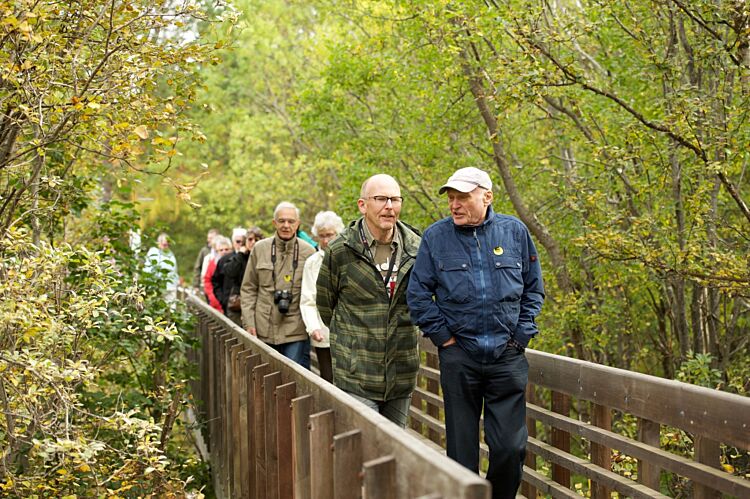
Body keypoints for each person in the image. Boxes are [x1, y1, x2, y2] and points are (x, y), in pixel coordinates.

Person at [407, 167, 545, 499]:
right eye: (451, 198)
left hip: (506, 358)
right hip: (460, 359)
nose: (454, 205)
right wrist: (445, 341)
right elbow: (418, 295)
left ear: (487, 196)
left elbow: (534, 289)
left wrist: (520, 337)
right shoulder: (436, 237)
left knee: (510, 449)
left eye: (463, 197)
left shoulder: (514, 232)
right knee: (461, 455)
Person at [316, 174, 422, 427]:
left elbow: (424, 301)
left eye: (395, 199)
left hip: (401, 372)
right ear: (362, 205)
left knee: (397, 451)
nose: (389, 206)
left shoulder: (417, 248)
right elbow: (325, 305)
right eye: (381, 199)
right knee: (363, 450)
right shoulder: (341, 250)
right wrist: (352, 344)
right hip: (356, 374)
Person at [241, 203, 315, 367]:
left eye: (290, 221)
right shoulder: (260, 249)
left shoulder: (309, 252)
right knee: (263, 379)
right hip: (263, 327)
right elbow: (248, 289)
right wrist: (249, 323)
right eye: (281, 221)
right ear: (274, 223)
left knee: (294, 379)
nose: (286, 226)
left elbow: (314, 294)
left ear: (297, 223)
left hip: (295, 329)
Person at [300, 211, 344, 383]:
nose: (326, 241)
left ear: (338, 234)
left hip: (350, 333)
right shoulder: (312, 263)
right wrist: (313, 327)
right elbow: (307, 298)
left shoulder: (349, 257)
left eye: (330, 235)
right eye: (322, 236)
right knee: (328, 378)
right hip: (323, 332)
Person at [216, 226, 264, 326]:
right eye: (250, 239)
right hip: (238, 304)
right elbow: (229, 271)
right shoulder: (239, 257)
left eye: (256, 240)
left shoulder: (264, 257)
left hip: (258, 304)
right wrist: (241, 254)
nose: (253, 242)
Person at [144, 232, 180, 304]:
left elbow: (175, 270)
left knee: (171, 309)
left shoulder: (171, 255)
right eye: (164, 244)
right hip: (157, 287)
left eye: (167, 244)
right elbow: (148, 269)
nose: (166, 246)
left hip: (171, 288)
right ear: (158, 243)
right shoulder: (153, 252)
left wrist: (176, 282)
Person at [204, 235, 232, 312]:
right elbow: (207, 280)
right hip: (216, 301)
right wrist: (213, 298)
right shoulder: (213, 263)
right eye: (221, 250)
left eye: (226, 249)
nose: (224, 252)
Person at [192, 229, 218, 295]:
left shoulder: (221, 250)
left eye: (211, 238)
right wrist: (196, 285)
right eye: (208, 238)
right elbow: (197, 267)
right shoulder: (204, 251)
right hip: (205, 284)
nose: (209, 240)